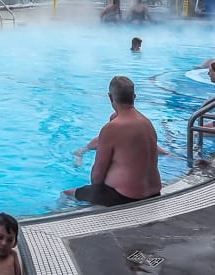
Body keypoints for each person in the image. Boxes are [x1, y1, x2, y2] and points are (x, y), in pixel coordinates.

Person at [65, 76, 162, 206]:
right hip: (155, 193)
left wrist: (95, 189)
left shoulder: (112, 128)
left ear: (110, 97)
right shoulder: (147, 123)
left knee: (68, 193)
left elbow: (98, 174)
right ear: (134, 96)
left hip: (125, 197)